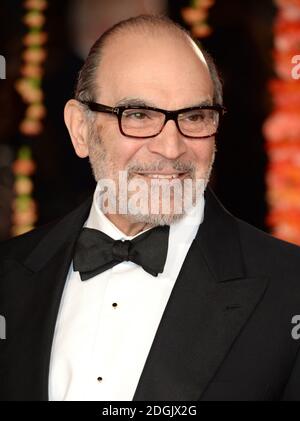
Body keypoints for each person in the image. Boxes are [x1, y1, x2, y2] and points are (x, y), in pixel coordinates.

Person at [1, 14, 300, 402]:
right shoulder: (9, 276)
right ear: (80, 129)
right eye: (139, 116)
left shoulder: (289, 288)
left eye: (194, 117)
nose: (171, 148)